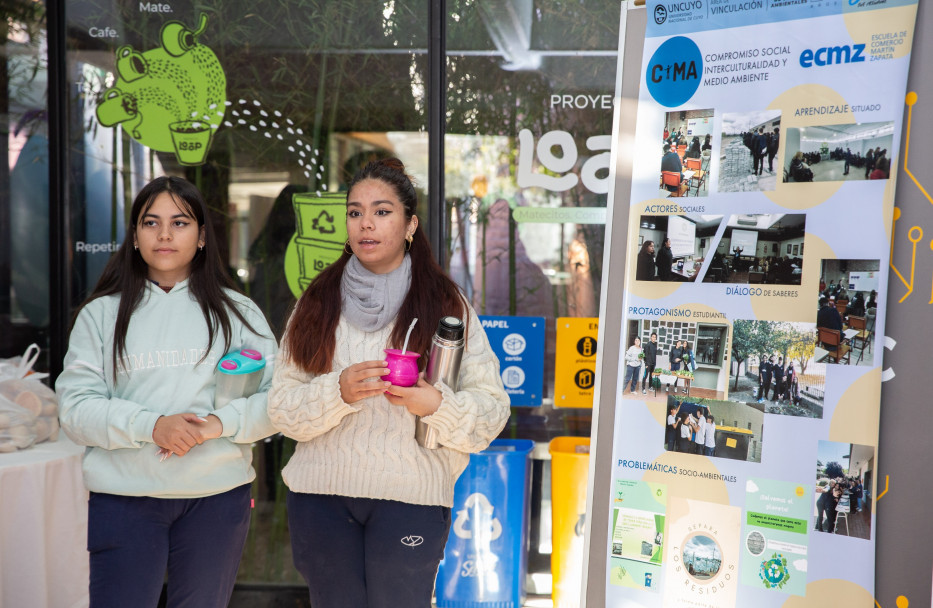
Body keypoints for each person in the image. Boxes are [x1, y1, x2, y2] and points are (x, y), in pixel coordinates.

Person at [266, 158, 510, 607]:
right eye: (355, 212)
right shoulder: (316, 302)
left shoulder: (444, 302)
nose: (366, 224)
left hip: (411, 497)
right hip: (320, 497)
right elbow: (280, 408)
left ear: (410, 223)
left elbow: (492, 409)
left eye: (382, 211)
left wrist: (434, 404)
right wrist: (336, 393)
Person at [56, 176, 278, 607]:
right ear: (135, 237)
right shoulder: (100, 316)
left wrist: (217, 425)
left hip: (217, 497)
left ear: (200, 238)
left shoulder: (239, 312)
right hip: (124, 499)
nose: (164, 234)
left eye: (179, 222)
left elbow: (278, 399)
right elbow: (75, 409)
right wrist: (151, 426)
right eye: (150, 222)